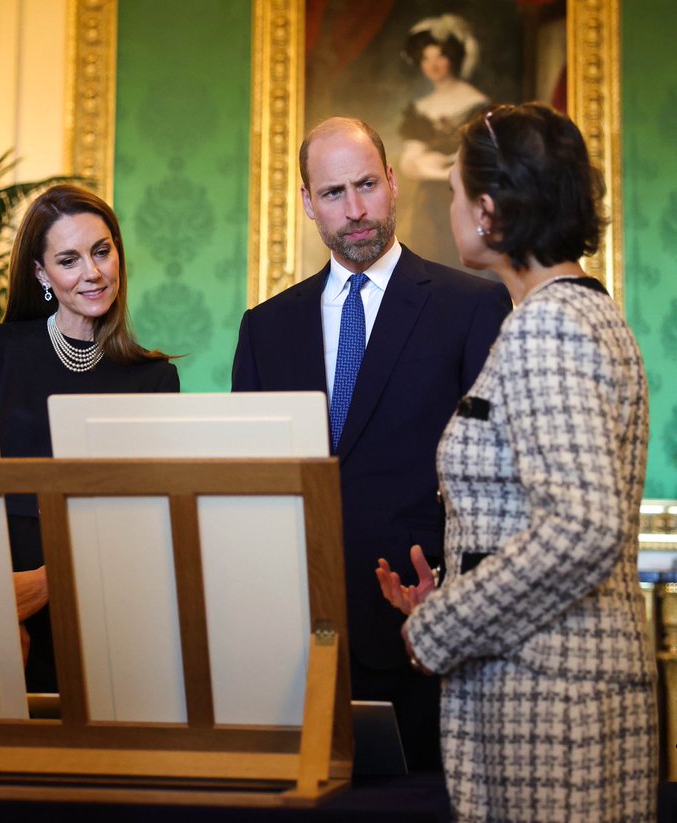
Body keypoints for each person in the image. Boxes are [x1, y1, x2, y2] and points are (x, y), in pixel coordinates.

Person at [376, 103, 656, 821]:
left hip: (549, 701)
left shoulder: (549, 327)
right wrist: (459, 585)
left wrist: (440, 626)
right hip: (562, 685)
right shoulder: (580, 313)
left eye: (456, 191)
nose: (451, 207)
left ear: (490, 210)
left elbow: (582, 528)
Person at [231, 117, 510, 770]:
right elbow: (250, 486)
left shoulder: (471, 306)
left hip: (422, 630)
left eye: (366, 185)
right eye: (334, 193)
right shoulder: (265, 328)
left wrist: (454, 605)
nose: (355, 209)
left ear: (391, 182)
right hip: (295, 637)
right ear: (308, 202)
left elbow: (494, 481)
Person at [0, 184, 179, 693]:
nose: (93, 272)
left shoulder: (154, 379)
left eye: (102, 251)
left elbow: (147, 523)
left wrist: (46, 582)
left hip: (107, 607)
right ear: (41, 273)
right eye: (68, 260)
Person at [398, 15, 489, 274]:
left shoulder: (475, 103)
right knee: (429, 260)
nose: (433, 65)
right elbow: (409, 163)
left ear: (453, 58)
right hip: (428, 204)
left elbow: (476, 159)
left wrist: (432, 165)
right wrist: (435, 167)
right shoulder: (420, 108)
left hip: (465, 198)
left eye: (439, 56)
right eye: (426, 58)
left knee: (462, 265)